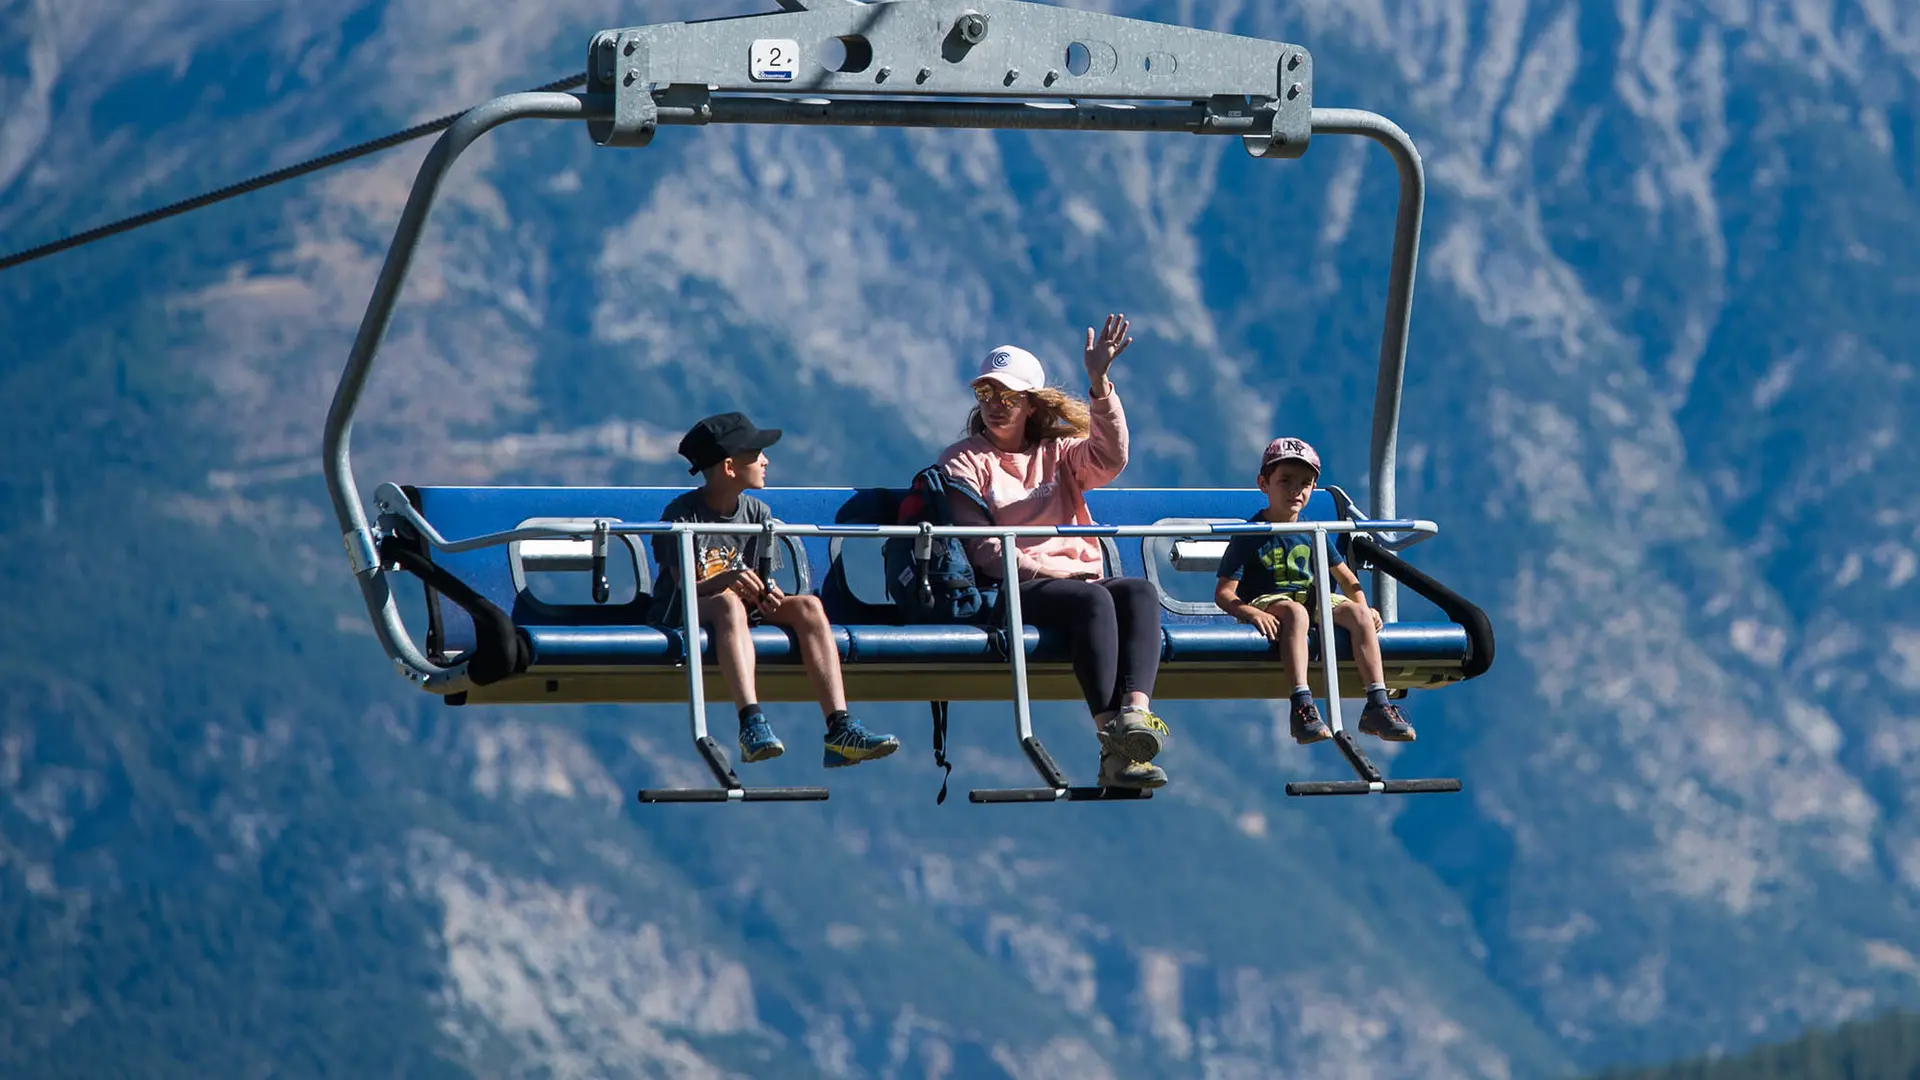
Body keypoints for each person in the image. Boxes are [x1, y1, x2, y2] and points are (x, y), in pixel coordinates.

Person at [936, 315, 1172, 790]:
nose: (996, 406)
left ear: (1031, 404)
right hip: (1013, 585)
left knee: (1140, 593)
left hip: (1074, 580)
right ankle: (1112, 741)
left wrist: (1100, 384)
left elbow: (1109, 459)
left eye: (1008, 397)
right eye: (986, 396)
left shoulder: (1060, 452)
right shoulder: (963, 460)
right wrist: (1050, 571)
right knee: (1093, 600)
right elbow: (984, 551)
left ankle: (1134, 719)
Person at [649, 411, 900, 768]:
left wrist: (768, 593)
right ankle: (750, 722)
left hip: (738, 609)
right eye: (755, 454)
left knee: (809, 607)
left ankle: (839, 729)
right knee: (727, 605)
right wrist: (726, 581)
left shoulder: (758, 513)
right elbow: (683, 587)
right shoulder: (683, 516)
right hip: (685, 609)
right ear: (730, 467)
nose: (765, 461)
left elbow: (763, 579)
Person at [1212, 437, 1416, 745]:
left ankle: (1377, 702)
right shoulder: (1250, 533)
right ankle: (1302, 704)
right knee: (1294, 612)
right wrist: (1251, 612)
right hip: (1272, 602)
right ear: (1264, 484)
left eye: (1305, 484)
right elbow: (1225, 592)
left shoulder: (1311, 532)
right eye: (1286, 481)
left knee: (1357, 614)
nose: (1296, 491)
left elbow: (1346, 578)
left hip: (1311, 603)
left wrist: (1363, 605)